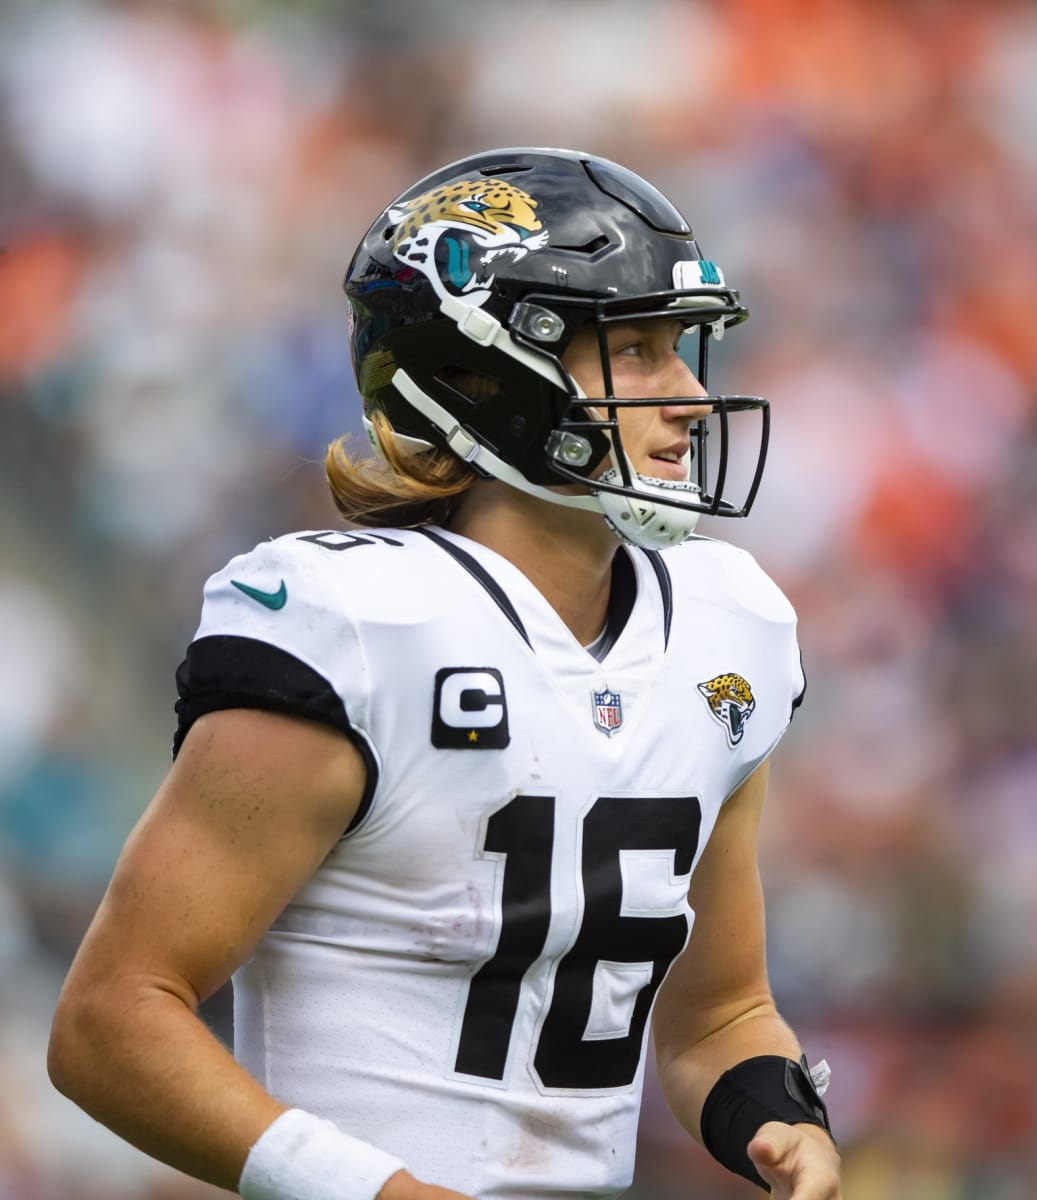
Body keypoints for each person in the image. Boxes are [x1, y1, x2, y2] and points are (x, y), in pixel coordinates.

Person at [47, 148, 843, 1200]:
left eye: (682, 350)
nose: (692, 397)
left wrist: (781, 1120)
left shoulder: (723, 632)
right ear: (489, 374)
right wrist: (383, 1193)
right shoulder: (359, 629)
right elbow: (110, 1020)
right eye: (638, 353)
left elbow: (719, 1015)